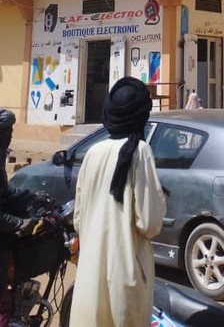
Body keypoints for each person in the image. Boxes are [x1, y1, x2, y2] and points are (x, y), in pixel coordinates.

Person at [69, 78, 166, 327]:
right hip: (126, 274)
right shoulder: (140, 152)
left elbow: (78, 218)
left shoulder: (92, 153)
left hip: (90, 274)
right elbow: (150, 223)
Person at [0, 108, 37, 327]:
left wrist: (32, 196)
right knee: (0, 300)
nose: (11, 135)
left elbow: (3, 193)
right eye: (8, 131)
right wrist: (18, 223)